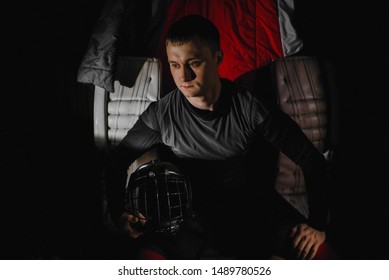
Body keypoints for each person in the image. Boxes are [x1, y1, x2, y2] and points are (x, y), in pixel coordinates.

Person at [105, 14, 332, 260]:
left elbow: (312, 160)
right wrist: (120, 213)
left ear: (217, 57)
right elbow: (117, 160)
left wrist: (318, 225)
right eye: (175, 64)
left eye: (194, 63)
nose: (184, 77)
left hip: (248, 207)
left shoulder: (250, 107)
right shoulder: (162, 114)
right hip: (187, 216)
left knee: (326, 258)